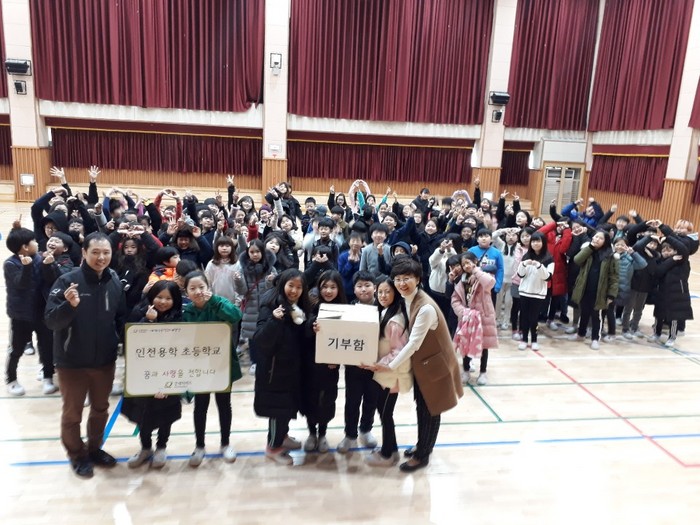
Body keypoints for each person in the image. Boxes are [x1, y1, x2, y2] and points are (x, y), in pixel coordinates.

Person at [45, 232, 127, 478]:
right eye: (95, 252)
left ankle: (94, 449)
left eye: (106, 253)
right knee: (73, 414)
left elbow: (121, 318)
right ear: (84, 253)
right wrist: (68, 306)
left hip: (104, 361)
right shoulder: (67, 281)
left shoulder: (114, 281)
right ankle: (77, 455)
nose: (101, 257)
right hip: (72, 362)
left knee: (100, 408)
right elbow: (51, 321)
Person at [379, 258, 463, 472]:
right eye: (398, 279)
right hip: (425, 363)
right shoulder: (408, 299)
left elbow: (414, 343)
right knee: (423, 406)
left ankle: (422, 455)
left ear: (418, 279)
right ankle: (422, 445)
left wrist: (391, 366)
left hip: (435, 365)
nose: (401, 283)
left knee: (431, 409)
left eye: (407, 278)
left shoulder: (425, 308)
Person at [182, 271, 243, 467]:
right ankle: (199, 446)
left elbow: (236, 315)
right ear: (186, 292)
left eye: (202, 287)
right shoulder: (186, 311)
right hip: (198, 367)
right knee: (201, 406)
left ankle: (225, 444)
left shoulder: (219, 303)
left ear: (208, 288)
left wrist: (215, 301)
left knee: (224, 404)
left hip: (221, 364)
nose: (198, 292)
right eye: (192, 288)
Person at [252, 269, 313, 465]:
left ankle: (282, 436)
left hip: (291, 368)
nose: (294, 290)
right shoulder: (271, 305)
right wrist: (274, 320)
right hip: (274, 370)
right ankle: (273, 447)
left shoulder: (299, 307)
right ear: (282, 285)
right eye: (290, 285)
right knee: (277, 411)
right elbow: (260, 339)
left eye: (299, 287)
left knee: (286, 408)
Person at [122, 281, 183, 469]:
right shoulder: (139, 312)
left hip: (169, 374)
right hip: (143, 374)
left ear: (175, 300)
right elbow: (131, 341)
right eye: (159, 297)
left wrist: (167, 382)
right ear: (151, 297)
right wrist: (148, 322)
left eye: (168, 298)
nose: (163, 302)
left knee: (166, 414)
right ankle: (145, 447)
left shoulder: (179, 318)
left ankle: (161, 447)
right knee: (143, 415)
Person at [362, 278, 411, 466]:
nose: (383, 296)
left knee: (385, 414)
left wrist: (377, 364)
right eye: (380, 292)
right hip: (384, 375)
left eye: (387, 292)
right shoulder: (384, 313)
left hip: (391, 377)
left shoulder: (395, 321)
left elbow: (398, 352)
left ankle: (387, 455)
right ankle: (392, 450)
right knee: (384, 413)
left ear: (396, 294)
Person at [4, 226, 56, 396]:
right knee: (17, 349)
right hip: (21, 315)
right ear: (25, 247)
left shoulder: (40, 258)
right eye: (33, 241)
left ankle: (47, 376)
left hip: (41, 312)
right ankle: (11, 379)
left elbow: (50, 281)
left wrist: (49, 265)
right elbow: (21, 284)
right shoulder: (10, 264)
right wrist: (26, 267)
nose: (37, 243)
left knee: (47, 346)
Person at [303, 270, 345, 453]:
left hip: (330, 367)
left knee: (327, 400)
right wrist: (312, 327)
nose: (328, 291)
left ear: (339, 289)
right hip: (311, 365)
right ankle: (312, 433)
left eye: (332, 287)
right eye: (324, 287)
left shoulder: (345, 310)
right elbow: (304, 333)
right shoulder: (312, 306)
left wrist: (338, 360)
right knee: (310, 398)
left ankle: (322, 434)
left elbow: (347, 340)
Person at [337, 272, 379, 452]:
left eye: (367, 285)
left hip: (375, 365)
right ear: (354, 289)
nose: (363, 289)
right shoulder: (348, 310)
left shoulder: (383, 308)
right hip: (353, 366)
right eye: (359, 286)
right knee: (352, 401)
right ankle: (350, 434)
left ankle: (366, 430)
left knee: (371, 399)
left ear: (374, 287)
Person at [451, 252, 498, 385]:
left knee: (484, 346)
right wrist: (462, 312)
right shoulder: (461, 280)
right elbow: (455, 299)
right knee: (465, 344)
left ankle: (483, 372)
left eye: (468, 262)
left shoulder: (483, 275)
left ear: (475, 261)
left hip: (483, 317)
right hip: (467, 318)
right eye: (463, 264)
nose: (466, 266)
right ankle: (466, 371)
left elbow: (490, 283)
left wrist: (476, 270)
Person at [570, 231, 619, 350]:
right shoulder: (588, 250)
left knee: (596, 316)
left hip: (600, 292)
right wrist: (590, 247)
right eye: (596, 236)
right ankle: (581, 334)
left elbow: (614, 277)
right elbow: (577, 260)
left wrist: (611, 295)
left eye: (600, 238)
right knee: (584, 313)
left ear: (605, 241)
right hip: (584, 288)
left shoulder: (610, 256)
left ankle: (595, 338)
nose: (596, 239)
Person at [515, 232, 554, 351]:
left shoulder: (549, 259)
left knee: (534, 318)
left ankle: (534, 340)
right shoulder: (526, 256)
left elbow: (547, 277)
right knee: (524, 317)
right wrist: (523, 264)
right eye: (533, 241)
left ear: (543, 243)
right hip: (524, 292)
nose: (535, 243)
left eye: (538, 241)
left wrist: (539, 266)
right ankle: (524, 339)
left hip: (538, 294)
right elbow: (520, 274)